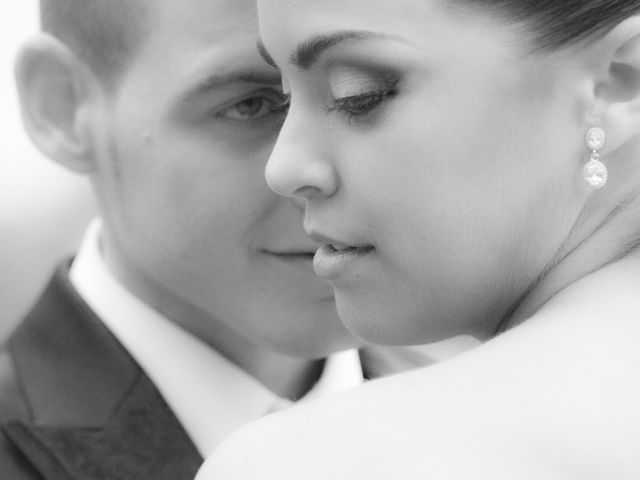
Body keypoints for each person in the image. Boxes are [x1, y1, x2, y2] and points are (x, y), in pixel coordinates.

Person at [197, 1, 640, 478]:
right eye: (284, 99)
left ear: (616, 82)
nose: (282, 168)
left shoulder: (319, 463)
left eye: (358, 95)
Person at [0, 0, 372, 478]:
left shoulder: (482, 410)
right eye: (251, 105)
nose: (327, 171)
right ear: (64, 104)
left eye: (366, 95)